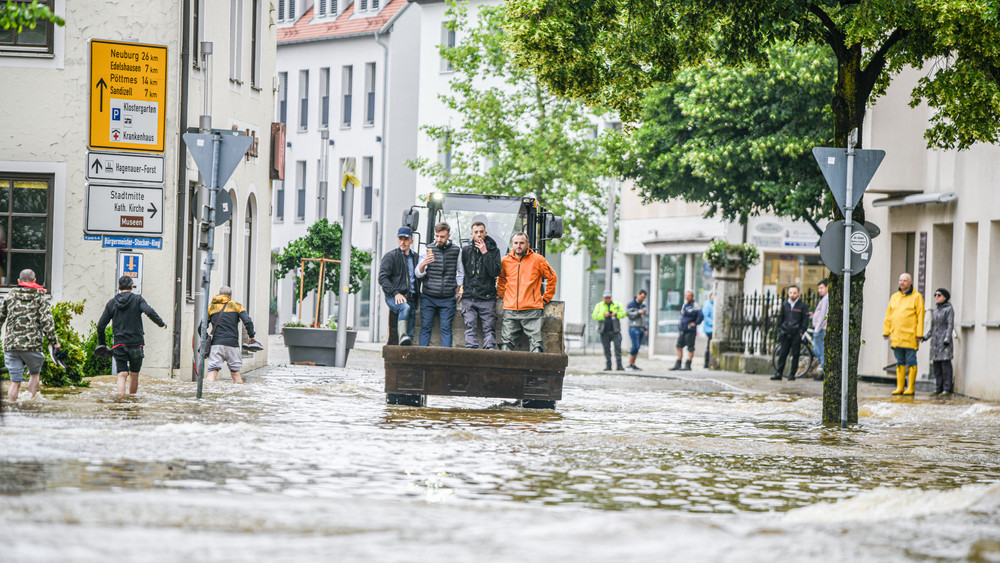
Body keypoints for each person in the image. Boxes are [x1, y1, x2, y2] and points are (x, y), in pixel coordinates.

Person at [97, 275, 167, 394]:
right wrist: (161, 323)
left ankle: (121, 402)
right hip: (136, 344)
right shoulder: (137, 299)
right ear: (131, 287)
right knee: (134, 374)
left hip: (119, 344)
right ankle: (132, 404)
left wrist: (102, 345)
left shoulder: (112, 303)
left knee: (122, 374)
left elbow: (100, 326)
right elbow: (149, 311)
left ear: (119, 287)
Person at [1, 269, 59, 402]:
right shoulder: (40, 297)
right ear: (34, 281)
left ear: (18, 281)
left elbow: (0, 318)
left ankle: (12, 407)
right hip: (33, 346)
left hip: (12, 346)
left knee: (15, 382)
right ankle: (31, 403)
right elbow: (47, 322)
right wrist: (54, 342)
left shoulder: (9, 296)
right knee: (34, 374)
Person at [496, 232, 557, 352]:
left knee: (536, 346)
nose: (519, 246)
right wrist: (502, 295)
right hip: (511, 311)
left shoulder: (538, 260)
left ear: (527, 244)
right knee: (505, 345)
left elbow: (552, 277)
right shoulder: (505, 261)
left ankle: (536, 370)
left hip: (532, 311)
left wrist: (545, 299)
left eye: (522, 243)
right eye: (516, 243)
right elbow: (501, 279)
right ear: (512, 244)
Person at [416, 222, 463, 347]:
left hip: (447, 298)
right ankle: (422, 358)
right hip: (428, 296)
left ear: (448, 236)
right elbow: (418, 273)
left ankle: (446, 362)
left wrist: (458, 290)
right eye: (436, 236)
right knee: (425, 328)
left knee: (446, 329)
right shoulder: (427, 249)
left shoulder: (456, 250)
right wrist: (423, 264)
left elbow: (460, 272)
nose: (438, 239)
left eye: (442, 237)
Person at [460, 221, 501, 349]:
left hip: (487, 297)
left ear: (485, 233)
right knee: (470, 326)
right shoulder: (466, 250)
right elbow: (462, 272)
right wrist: (460, 289)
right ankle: (471, 352)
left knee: (489, 328)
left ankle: (489, 353)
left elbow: (495, 272)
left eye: (481, 232)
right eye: (476, 232)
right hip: (469, 297)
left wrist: (485, 253)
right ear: (471, 234)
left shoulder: (494, 250)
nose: (479, 235)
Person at [883, 273, 925, 395]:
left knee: (911, 360)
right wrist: (886, 331)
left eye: (905, 280)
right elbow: (888, 316)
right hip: (897, 335)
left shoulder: (917, 297)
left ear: (910, 282)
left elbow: (920, 316)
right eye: (900, 280)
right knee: (899, 361)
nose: (902, 282)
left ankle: (910, 387)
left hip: (911, 336)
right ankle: (900, 387)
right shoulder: (894, 297)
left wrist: (919, 334)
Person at [205, 286, 257, 384]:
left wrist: (206, 338)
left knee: (212, 373)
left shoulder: (211, 307)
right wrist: (251, 336)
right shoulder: (236, 306)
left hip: (216, 344)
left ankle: (208, 394)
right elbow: (247, 321)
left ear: (219, 295)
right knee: (236, 374)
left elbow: (201, 326)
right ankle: (237, 397)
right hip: (233, 344)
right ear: (230, 296)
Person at [378, 226, 420, 346]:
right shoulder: (391, 256)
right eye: (400, 238)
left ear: (411, 240)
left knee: (410, 334)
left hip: (411, 298)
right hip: (393, 297)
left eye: (405, 239)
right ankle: (402, 336)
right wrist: (396, 293)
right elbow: (382, 278)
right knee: (404, 308)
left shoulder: (416, 258)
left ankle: (406, 351)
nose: (402, 242)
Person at [770, 285, 810, 381]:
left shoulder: (802, 306)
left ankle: (792, 374)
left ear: (798, 294)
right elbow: (781, 318)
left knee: (795, 354)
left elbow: (805, 320)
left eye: (794, 293)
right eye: (791, 293)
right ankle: (779, 373)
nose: (792, 295)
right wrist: (780, 329)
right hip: (785, 332)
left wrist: (801, 331)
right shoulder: (785, 305)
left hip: (796, 333)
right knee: (783, 353)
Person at [927, 288, 954, 395]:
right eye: (935, 295)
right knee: (936, 367)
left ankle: (947, 388)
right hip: (935, 343)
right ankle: (938, 387)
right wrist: (926, 336)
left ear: (945, 297)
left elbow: (950, 325)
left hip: (944, 342)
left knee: (945, 366)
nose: (936, 297)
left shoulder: (949, 309)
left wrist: (947, 339)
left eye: (939, 295)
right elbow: (933, 327)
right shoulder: (935, 310)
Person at [593, 290, 626, 371]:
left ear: (611, 297)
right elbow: (594, 316)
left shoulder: (617, 305)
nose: (607, 299)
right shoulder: (599, 305)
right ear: (603, 297)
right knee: (606, 349)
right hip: (604, 331)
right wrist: (603, 315)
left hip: (616, 330)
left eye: (609, 297)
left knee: (617, 349)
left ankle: (619, 366)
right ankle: (608, 366)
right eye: (606, 297)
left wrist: (616, 314)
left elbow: (624, 313)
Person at [671, 290, 703, 371]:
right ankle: (678, 362)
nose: (687, 297)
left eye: (689, 296)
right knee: (678, 346)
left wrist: (695, 323)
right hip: (683, 329)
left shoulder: (695, 306)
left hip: (690, 330)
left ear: (692, 297)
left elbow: (701, 316)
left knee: (690, 347)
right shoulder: (685, 305)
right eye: (686, 295)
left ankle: (688, 363)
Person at [625, 289, 649, 371]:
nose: (642, 299)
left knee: (638, 347)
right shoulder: (631, 304)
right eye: (642, 297)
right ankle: (629, 364)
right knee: (635, 346)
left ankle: (633, 364)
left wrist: (645, 329)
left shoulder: (643, 305)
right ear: (638, 295)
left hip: (641, 328)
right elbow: (628, 314)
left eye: (644, 298)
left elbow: (644, 318)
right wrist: (638, 313)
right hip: (634, 328)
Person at [811, 279, 829, 380]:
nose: (819, 290)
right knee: (819, 351)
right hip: (820, 329)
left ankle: (824, 373)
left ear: (827, 287)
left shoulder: (826, 299)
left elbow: (824, 315)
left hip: (821, 329)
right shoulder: (824, 299)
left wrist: (817, 329)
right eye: (818, 288)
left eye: (821, 288)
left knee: (820, 351)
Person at [702, 292, 714, 369]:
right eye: (713, 295)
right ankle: (706, 362)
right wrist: (714, 323)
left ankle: (709, 362)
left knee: (710, 345)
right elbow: (705, 316)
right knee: (709, 345)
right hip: (709, 328)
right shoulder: (708, 304)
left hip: (713, 328)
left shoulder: (714, 304)